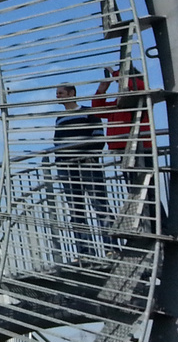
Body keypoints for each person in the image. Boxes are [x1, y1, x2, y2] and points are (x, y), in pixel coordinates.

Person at [94, 65, 155, 232]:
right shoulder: (120, 102)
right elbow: (98, 110)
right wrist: (102, 90)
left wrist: (117, 74)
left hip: (140, 149)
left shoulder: (138, 95)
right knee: (136, 191)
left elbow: (140, 86)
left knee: (147, 191)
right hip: (125, 150)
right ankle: (148, 226)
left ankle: (158, 227)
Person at [54, 83, 110, 259]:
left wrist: (90, 156)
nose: (58, 96)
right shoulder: (60, 118)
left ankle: (110, 248)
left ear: (72, 93)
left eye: (61, 93)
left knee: (100, 206)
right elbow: (57, 144)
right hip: (68, 168)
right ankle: (85, 252)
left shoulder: (89, 112)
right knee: (76, 210)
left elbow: (99, 137)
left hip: (87, 165)